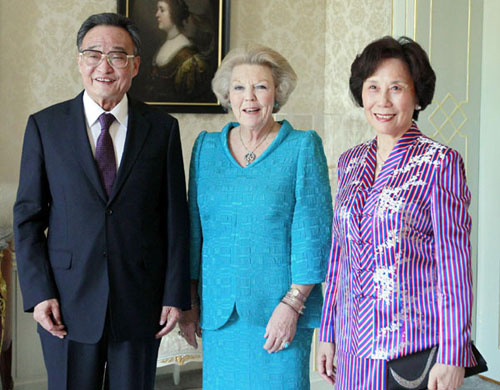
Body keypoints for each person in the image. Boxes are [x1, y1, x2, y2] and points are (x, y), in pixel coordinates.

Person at [13, 13, 190, 390]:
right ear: (80, 61)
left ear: (136, 64)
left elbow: (175, 218)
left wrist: (175, 295)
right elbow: (28, 217)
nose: (104, 66)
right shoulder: (45, 127)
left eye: (118, 56)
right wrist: (38, 292)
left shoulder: (162, 129)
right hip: (66, 301)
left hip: (140, 301)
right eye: (93, 54)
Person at [317, 36, 476, 390]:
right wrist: (327, 331)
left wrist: (453, 352)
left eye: (396, 88)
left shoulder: (440, 162)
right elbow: (338, 255)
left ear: (417, 95)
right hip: (352, 342)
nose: (382, 101)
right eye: (373, 87)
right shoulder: (350, 161)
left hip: (410, 348)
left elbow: (454, 264)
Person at [179, 44, 333, 389]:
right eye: (239, 87)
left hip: (279, 312)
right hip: (220, 314)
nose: (249, 97)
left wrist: (292, 306)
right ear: (227, 96)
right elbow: (193, 231)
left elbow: (314, 233)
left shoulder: (302, 147)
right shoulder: (205, 148)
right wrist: (189, 302)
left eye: (261, 86)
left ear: (277, 93)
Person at [149, 0, 211, 102]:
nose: (157, 14)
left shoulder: (189, 55)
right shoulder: (164, 45)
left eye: (162, 10)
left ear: (174, 14)